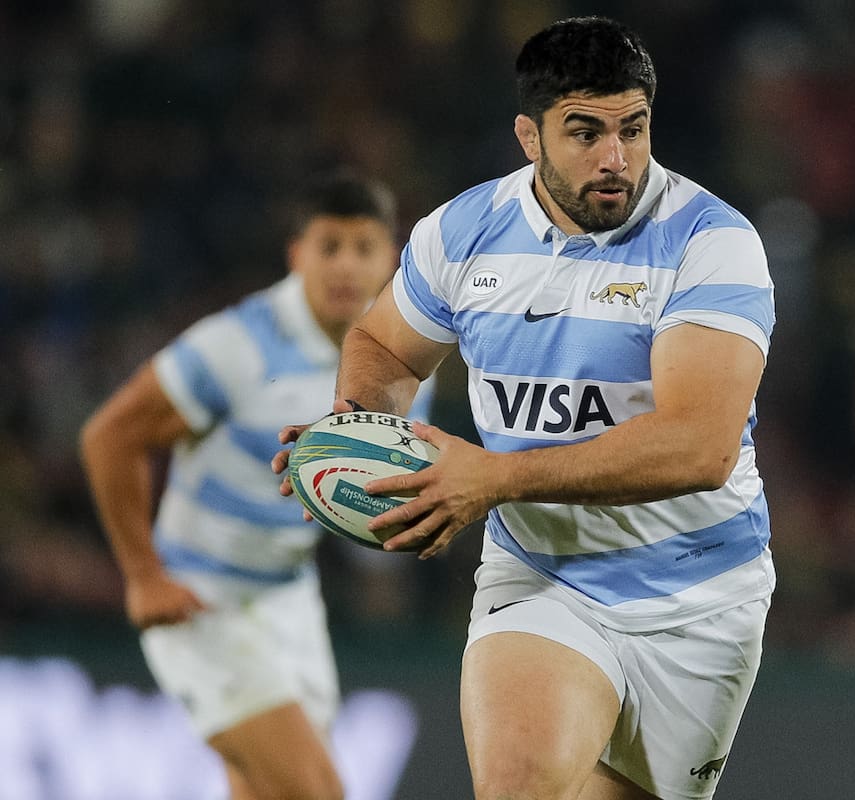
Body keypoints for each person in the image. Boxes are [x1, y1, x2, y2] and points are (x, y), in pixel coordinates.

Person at [275, 16, 776, 800]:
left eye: (633, 130)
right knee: (518, 785)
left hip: (700, 598)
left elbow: (698, 447)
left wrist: (494, 478)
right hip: (545, 577)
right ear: (528, 136)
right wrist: (362, 431)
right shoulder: (464, 232)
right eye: (585, 133)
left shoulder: (711, 243)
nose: (616, 159)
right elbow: (385, 347)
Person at [79, 168, 412, 800]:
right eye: (329, 246)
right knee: (317, 792)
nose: (345, 266)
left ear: (389, 260)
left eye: (363, 248)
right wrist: (143, 576)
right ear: (296, 255)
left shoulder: (394, 361)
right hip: (201, 600)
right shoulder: (239, 345)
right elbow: (110, 437)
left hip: (289, 600)